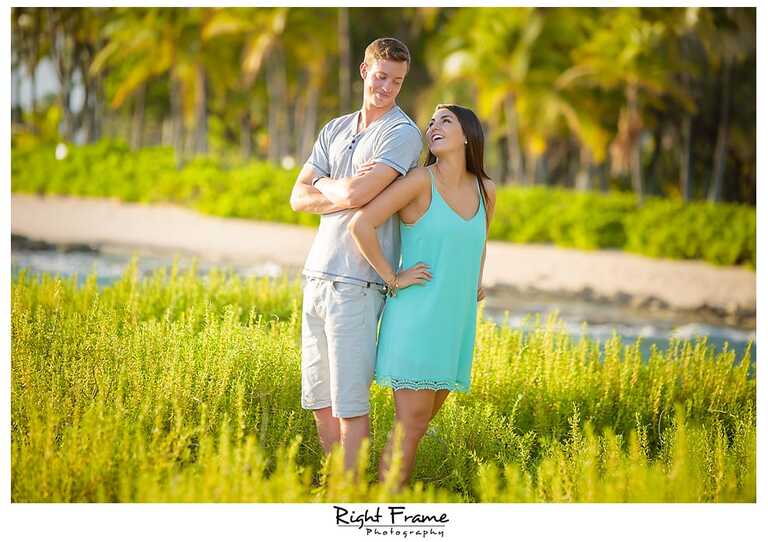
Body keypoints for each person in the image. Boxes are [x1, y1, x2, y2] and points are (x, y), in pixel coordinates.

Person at [289, 37, 423, 471]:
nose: (387, 87)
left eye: (397, 81)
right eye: (382, 76)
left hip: (357, 284)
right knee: (319, 400)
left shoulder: (402, 134)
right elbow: (297, 197)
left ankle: (353, 500)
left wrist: (330, 185)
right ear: (365, 71)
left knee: (349, 404)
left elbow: (359, 192)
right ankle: (338, 490)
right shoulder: (335, 128)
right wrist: (340, 189)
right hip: (316, 276)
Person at [348, 104, 496, 487]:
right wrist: (392, 277)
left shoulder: (486, 190)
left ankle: (378, 495)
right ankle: (386, 509)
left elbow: (479, 241)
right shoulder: (419, 181)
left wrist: (475, 280)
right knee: (411, 424)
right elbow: (361, 225)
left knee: (418, 423)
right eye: (431, 121)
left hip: (455, 324)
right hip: (415, 320)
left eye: (445, 120)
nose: (433, 126)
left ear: (467, 135)